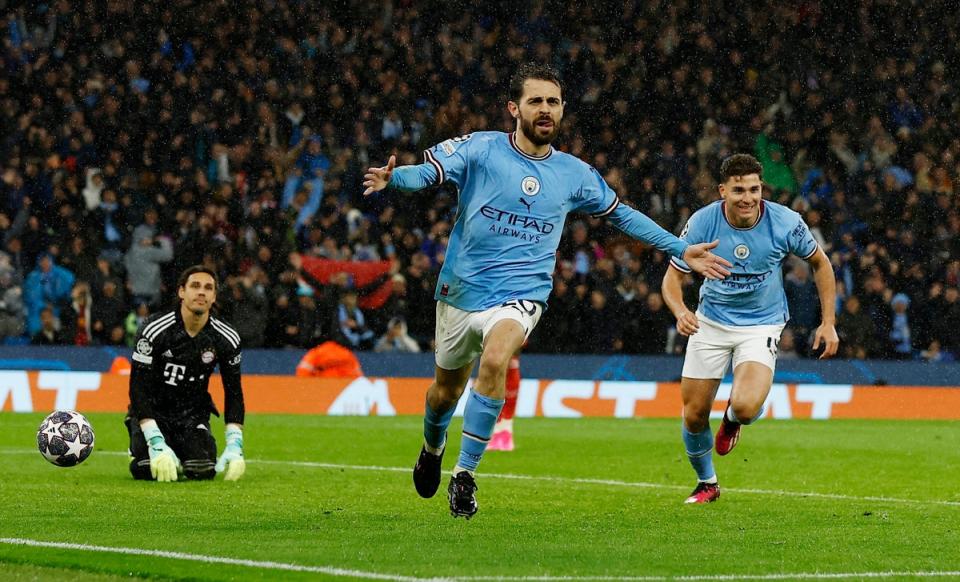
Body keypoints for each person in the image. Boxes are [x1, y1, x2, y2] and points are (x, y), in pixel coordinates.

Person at [363, 62, 732, 518]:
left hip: (522, 293)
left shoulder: (574, 173)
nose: (545, 110)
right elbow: (427, 173)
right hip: (461, 290)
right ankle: (432, 447)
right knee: (444, 391)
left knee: (497, 359)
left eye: (553, 102)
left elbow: (622, 214)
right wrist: (394, 178)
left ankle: (464, 475)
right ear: (513, 108)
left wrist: (680, 247)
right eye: (536, 101)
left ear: (562, 111)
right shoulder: (481, 148)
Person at [662, 153, 839, 504]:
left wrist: (829, 322)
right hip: (710, 323)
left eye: (755, 189)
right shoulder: (701, 223)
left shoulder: (785, 222)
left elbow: (821, 263)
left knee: (744, 407)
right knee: (694, 414)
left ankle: (731, 420)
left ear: (762, 189)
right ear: (722, 191)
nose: (748, 198)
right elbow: (672, 278)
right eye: (739, 190)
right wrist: (680, 310)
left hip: (762, 324)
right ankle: (707, 483)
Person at [125, 265, 246, 482]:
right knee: (146, 470)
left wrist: (235, 444)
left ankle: (188, 446)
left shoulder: (226, 337)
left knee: (202, 470)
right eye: (195, 286)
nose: (202, 292)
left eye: (208, 288)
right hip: (154, 411)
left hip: (192, 415)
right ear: (182, 292)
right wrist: (154, 440)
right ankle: (141, 442)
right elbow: (138, 388)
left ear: (214, 296)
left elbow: (234, 391)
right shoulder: (154, 329)